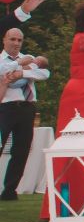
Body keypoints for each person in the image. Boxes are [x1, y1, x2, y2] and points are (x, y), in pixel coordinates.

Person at [0, 28, 48, 202]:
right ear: (4, 40)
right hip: (5, 107)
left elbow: (44, 73)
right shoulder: (6, 60)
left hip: (27, 107)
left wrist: (22, 72)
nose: (16, 43)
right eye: (12, 39)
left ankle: (10, 190)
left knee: (21, 150)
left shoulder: (29, 58)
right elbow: (1, 70)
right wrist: (20, 64)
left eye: (19, 40)